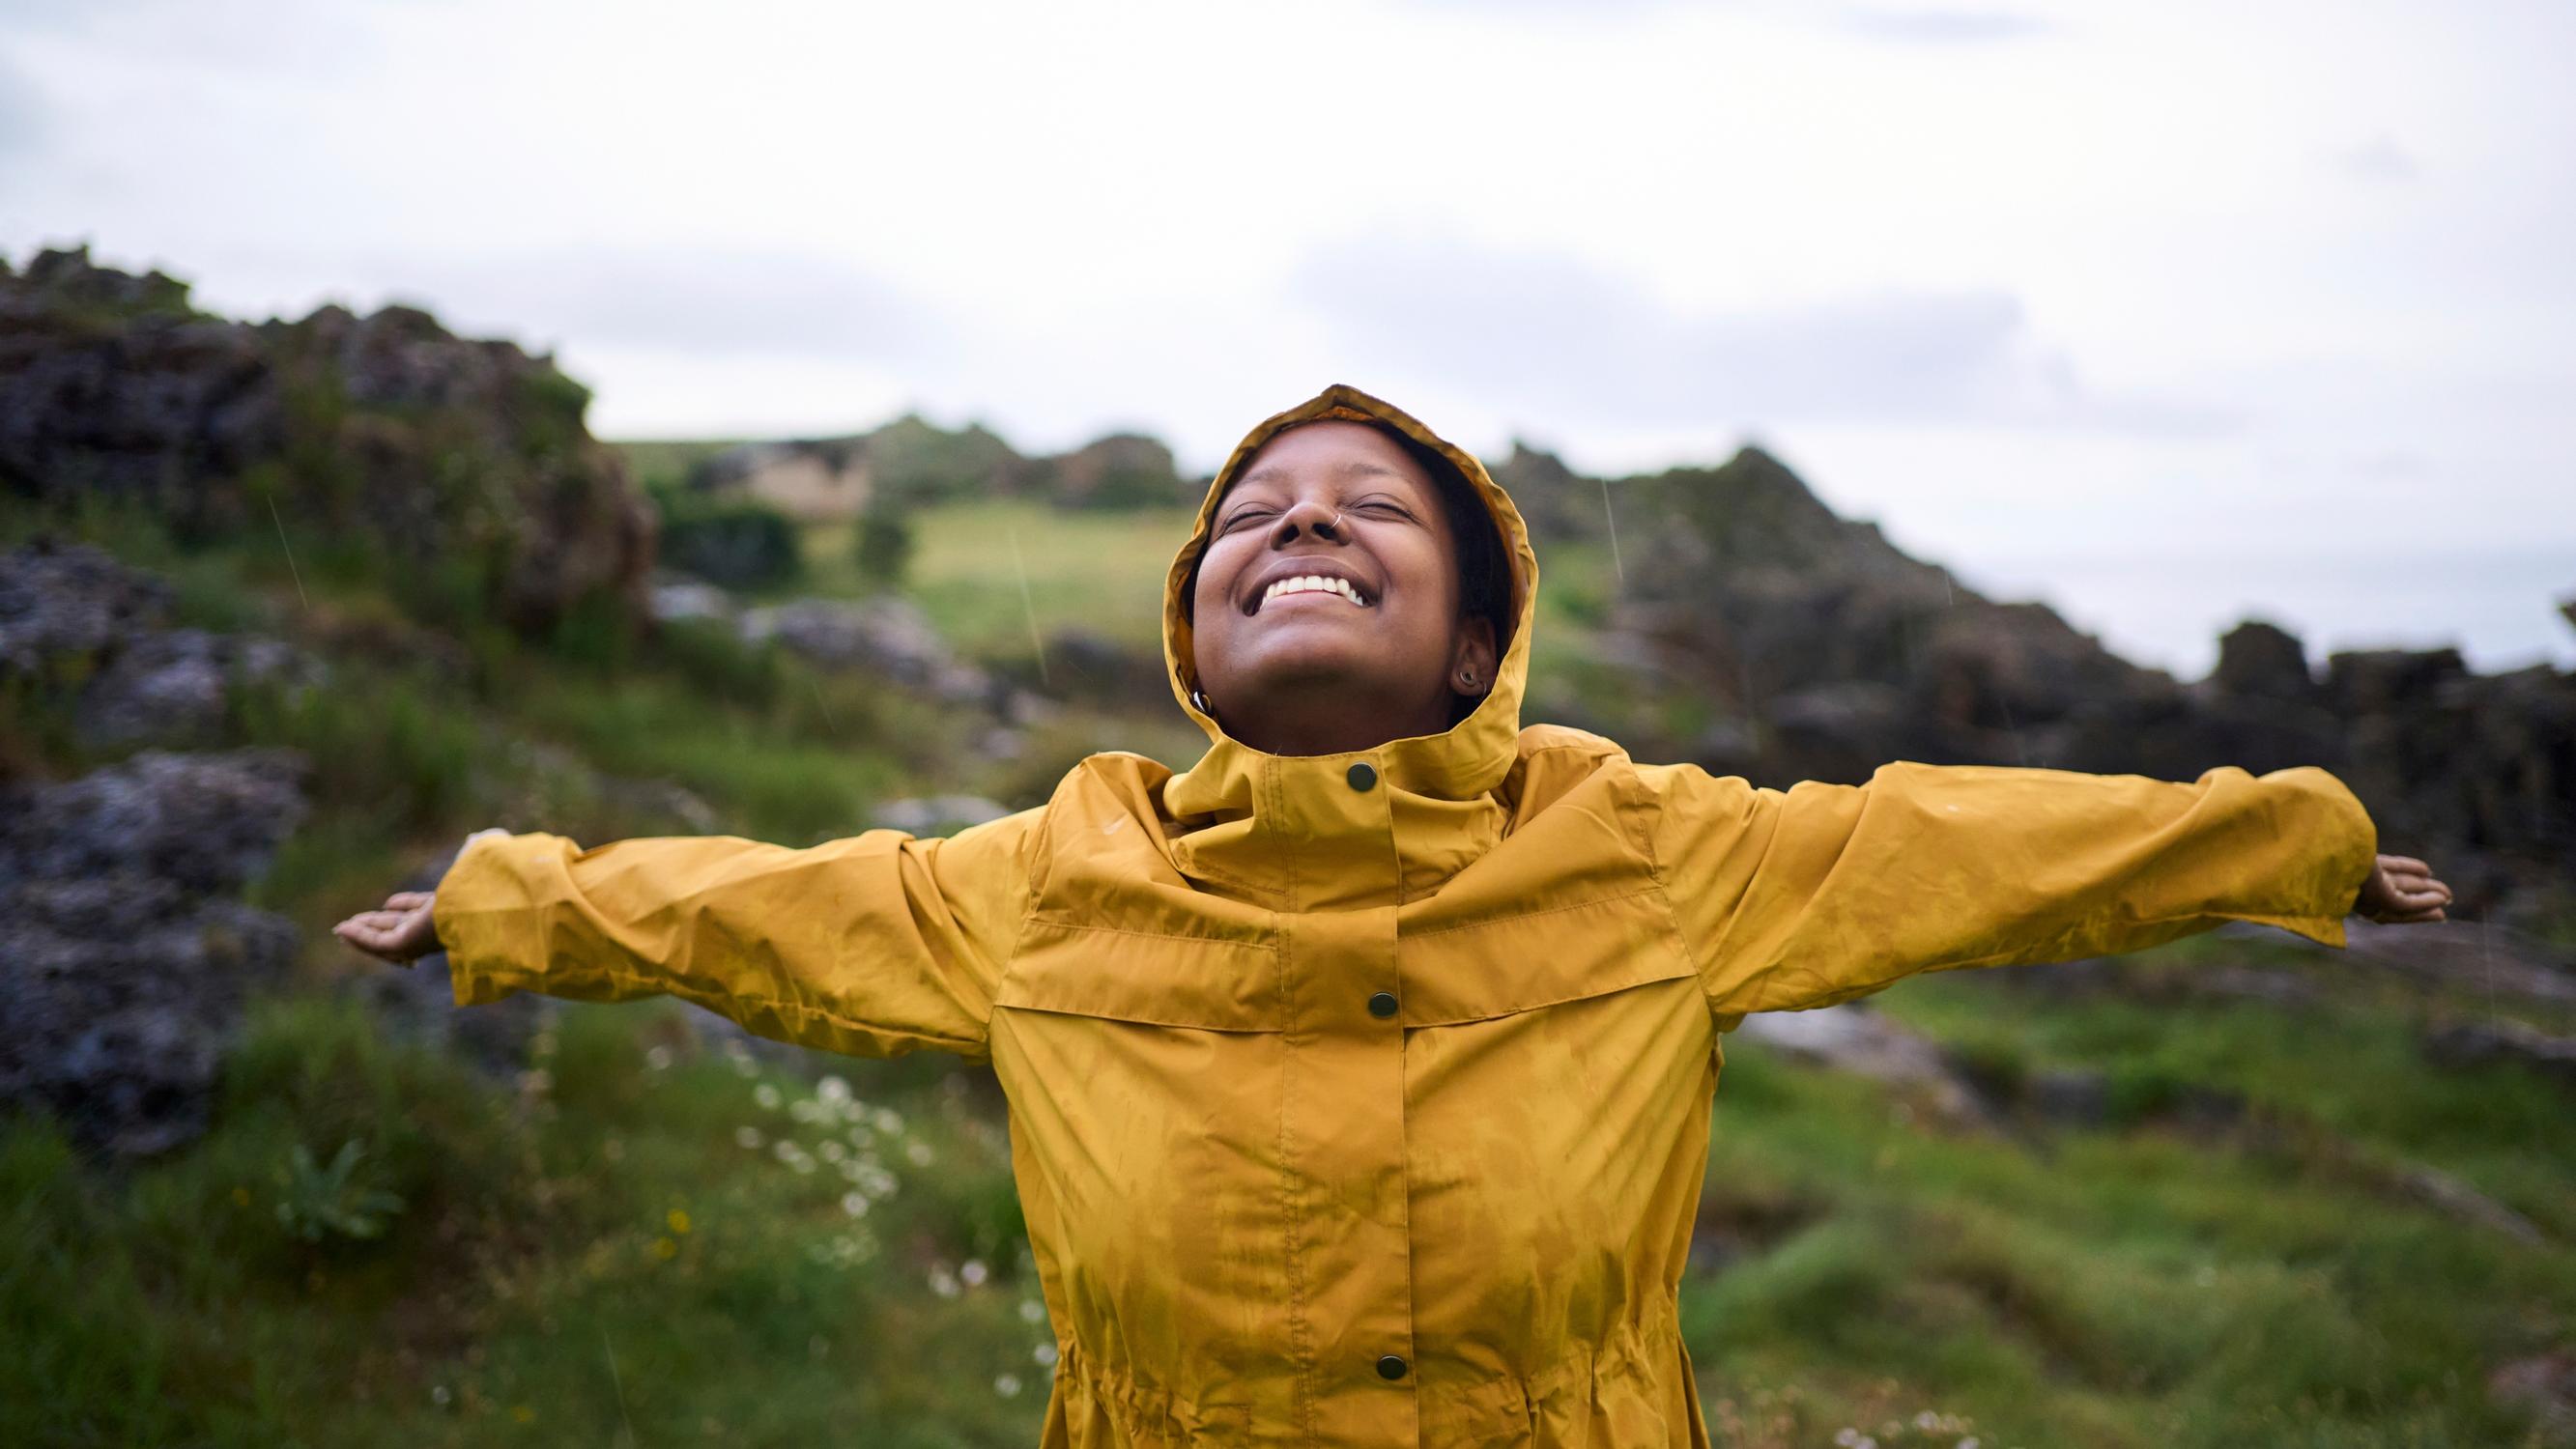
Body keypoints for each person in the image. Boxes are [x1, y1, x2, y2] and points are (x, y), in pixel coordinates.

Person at [337, 384, 2452, 1447]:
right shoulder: (1049, 884)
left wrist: (2271, 842)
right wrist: (513, 898)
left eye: (1369, 509)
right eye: (1253, 517)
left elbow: (1949, 846)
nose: (1303, 526)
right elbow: (765, 912)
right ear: (1196, 635)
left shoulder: (1648, 851)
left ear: (1470, 639)